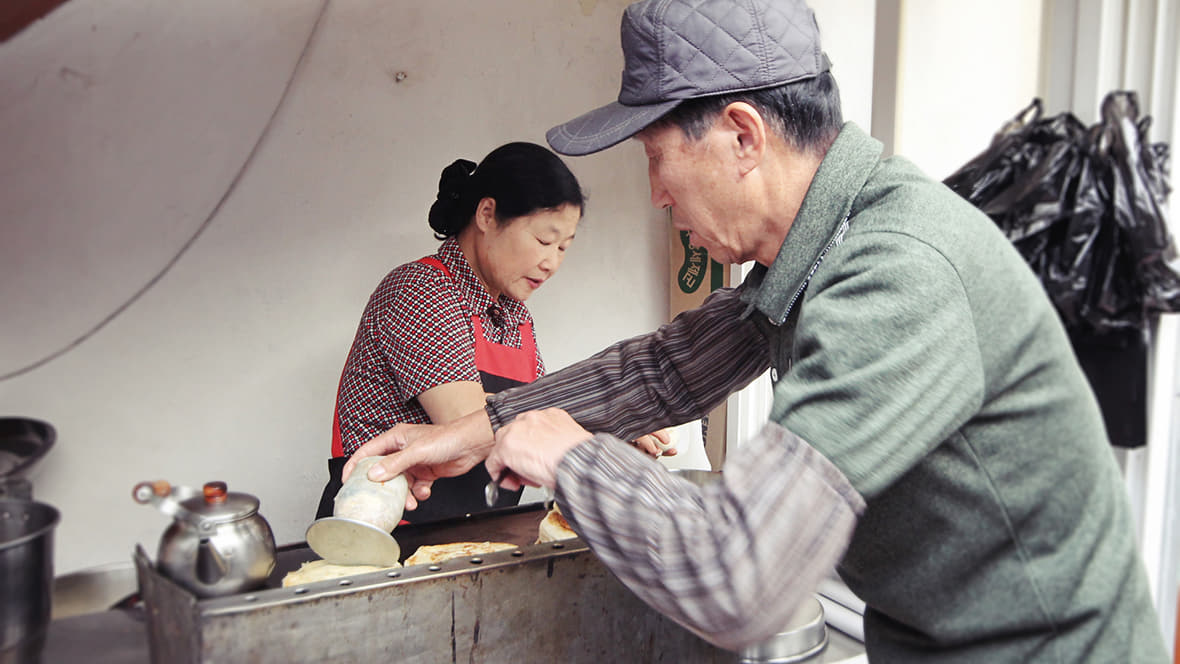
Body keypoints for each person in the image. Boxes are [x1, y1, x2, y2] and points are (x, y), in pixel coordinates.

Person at [344, 1, 1170, 661]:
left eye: (655, 159)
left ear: (743, 136)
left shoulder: (895, 270)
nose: (659, 196)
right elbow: (667, 371)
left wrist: (568, 458)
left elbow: (741, 579)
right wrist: (481, 428)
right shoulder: (815, 252)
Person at [316, 141, 591, 523]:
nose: (551, 263)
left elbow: (537, 416)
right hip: (386, 531)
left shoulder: (516, 317)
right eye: (544, 241)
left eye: (563, 247)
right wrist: (593, 425)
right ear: (487, 214)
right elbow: (470, 422)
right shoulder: (420, 290)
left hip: (472, 540)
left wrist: (610, 426)